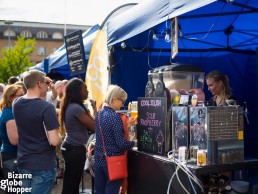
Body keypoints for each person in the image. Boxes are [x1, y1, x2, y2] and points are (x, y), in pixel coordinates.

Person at [12, 70, 61, 194]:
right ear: (39, 84)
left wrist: (43, 81)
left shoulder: (16, 103)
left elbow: (36, 104)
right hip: (42, 164)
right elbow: (54, 141)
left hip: (24, 161)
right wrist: (60, 135)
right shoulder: (47, 108)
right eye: (45, 83)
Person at [94, 85, 136, 194]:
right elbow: (121, 144)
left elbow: (106, 134)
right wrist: (134, 143)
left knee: (99, 191)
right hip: (113, 162)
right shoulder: (114, 117)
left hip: (99, 159)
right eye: (122, 101)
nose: (123, 105)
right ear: (115, 99)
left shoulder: (99, 114)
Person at [59, 78, 96, 194]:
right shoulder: (76, 108)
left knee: (72, 183)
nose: (88, 91)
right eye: (85, 89)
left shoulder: (72, 105)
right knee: (71, 184)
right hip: (74, 149)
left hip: (72, 148)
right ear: (77, 91)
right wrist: (94, 109)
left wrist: (93, 108)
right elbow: (94, 126)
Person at [0, 84, 24, 181]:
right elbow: (15, 140)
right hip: (12, 156)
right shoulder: (9, 114)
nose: (24, 97)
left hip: (14, 155)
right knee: (14, 188)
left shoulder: (12, 110)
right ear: (11, 97)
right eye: (20, 95)